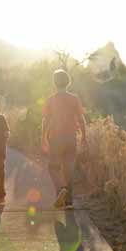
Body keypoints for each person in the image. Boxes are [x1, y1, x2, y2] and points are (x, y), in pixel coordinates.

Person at [41, 69, 87, 209]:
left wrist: (43, 137)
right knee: (69, 170)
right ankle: (68, 203)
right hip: (71, 138)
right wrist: (84, 136)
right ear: (68, 82)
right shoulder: (74, 98)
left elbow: (46, 121)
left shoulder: (51, 100)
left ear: (55, 83)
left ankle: (60, 189)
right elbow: (81, 119)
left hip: (56, 138)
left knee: (53, 167)